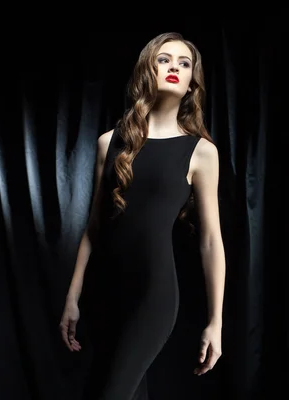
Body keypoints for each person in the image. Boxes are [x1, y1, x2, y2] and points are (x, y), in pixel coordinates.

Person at [59, 32, 226, 399]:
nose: (174, 68)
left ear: (190, 84)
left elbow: (211, 240)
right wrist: (73, 298)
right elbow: (93, 229)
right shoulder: (110, 142)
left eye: (184, 64)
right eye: (164, 59)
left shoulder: (200, 152)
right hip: (106, 293)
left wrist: (215, 322)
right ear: (146, 70)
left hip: (154, 294)